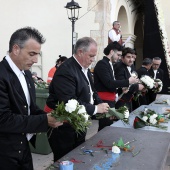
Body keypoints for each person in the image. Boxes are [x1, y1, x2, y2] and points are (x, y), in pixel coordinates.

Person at [0, 27, 63, 170]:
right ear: (16, 49)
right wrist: (45, 120)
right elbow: (3, 119)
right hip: (4, 153)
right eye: (32, 54)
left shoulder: (27, 74)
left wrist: (51, 117)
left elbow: (30, 108)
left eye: (37, 54)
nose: (35, 60)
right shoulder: (1, 75)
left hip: (24, 148)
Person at [45, 37, 109, 161]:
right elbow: (69, 101)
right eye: (91, 56)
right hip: (63, 127)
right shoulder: (66, 71)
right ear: (80, 52)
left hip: (78, 124)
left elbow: (92, 91)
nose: (93, 59)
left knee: (78, 158)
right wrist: (96, 108)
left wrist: (102, 106)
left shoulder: (85, 68)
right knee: (65, 161)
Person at [93, 41, 138, 131]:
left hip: (110, 99)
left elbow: (113, 83)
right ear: (111, 52)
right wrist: (127, 82)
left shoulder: (109, 64)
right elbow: (109, 83)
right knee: (105, 127)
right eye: (118, 54)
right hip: (104, 100)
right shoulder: (102, 64)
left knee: (108, 126)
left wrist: (121, 88)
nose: (119, 57)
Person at [114, 47, 144, 112]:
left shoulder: (131, 66)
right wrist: (138, 87)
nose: (131, 59)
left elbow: (134, 80)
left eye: (133, 57)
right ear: (122, 58)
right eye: (128, 57)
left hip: (129, 100)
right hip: (120, 101)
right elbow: (121, 84)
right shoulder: (119, 67)